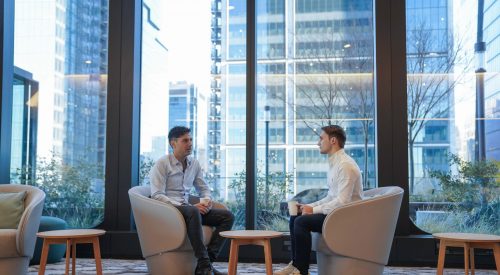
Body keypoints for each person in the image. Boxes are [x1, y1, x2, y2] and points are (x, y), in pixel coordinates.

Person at [274, 125, 363, 275]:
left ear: (333, 140)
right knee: (296, 215)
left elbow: (342, 202)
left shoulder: (346, 166)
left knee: (302, 222)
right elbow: (331, 196)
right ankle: (296, 264)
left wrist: (313, 210)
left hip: (345, 218)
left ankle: (302, 270)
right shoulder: (335, 164)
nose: (318, 143)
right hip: (336, 214)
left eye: (321, 138)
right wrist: (308, 207)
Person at [149, 126, 234, 275]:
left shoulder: (193, 163)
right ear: (173, 143)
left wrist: (205, 202)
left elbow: (204, 188)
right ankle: (204, 264)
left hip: (189, 210)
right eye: (185, 141)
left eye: (190, 140)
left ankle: (206, 265)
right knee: (192, 210)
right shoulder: (162, 163)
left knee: (227, 216)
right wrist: (189, 206)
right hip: (168, 211)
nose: (190, 144)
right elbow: (156, 194)